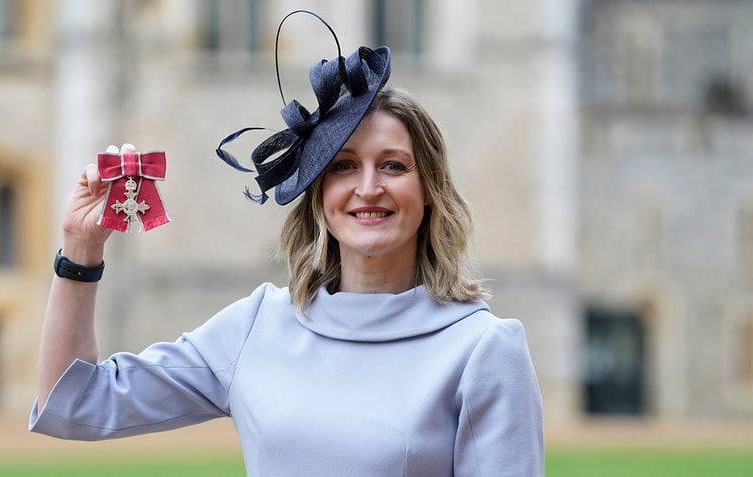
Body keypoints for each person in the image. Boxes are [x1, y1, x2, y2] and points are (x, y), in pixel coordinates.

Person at [30, 11, 544, 476]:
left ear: (429, 189)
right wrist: (81, 249)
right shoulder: (255, 328)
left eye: (393, 165)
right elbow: (73, 404)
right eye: (343, 167)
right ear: (318, 195)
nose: (368, 187)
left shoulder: (482, 349)